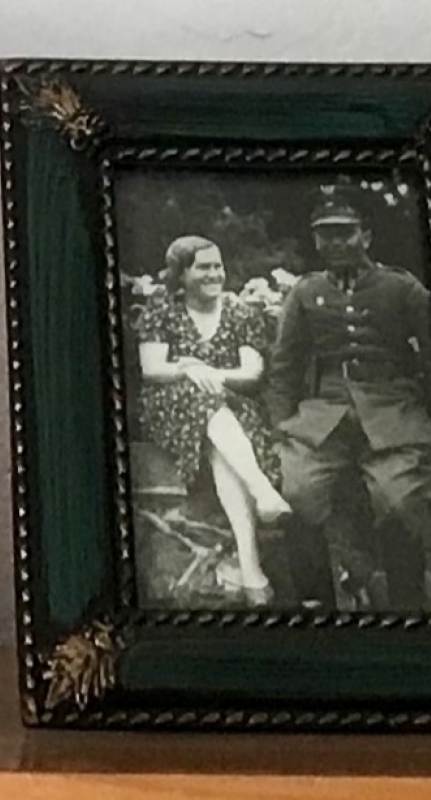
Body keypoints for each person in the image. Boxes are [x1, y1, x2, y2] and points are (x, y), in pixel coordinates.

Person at [266, 183, 431, 610]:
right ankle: (317, 606)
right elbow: (285, 366)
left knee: (397, 498)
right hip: (323, 417)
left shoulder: (401, 289)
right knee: (297, 492)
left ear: (366, 236)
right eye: (325, 235)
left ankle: (407, 604)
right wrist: (281, 427)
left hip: (393, 411)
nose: (334, 243)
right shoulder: (304, 293)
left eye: (344, 233)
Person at [134, 235, 291, 606]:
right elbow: (152, 369)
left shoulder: (239, 312)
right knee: (205, 403)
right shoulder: (163, 308)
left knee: (221, 442)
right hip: (170, 406)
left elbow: (251, 372)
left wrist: (208, 372)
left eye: (217, 266)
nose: (214, 274)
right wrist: (186, 370)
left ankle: (250, 570)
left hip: (231, 406)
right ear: (181, 274)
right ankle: (262, 492)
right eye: (203, 267)